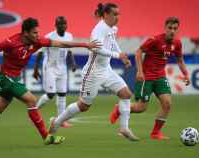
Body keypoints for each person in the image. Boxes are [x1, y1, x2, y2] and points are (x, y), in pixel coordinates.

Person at [0, 17, 100, 145]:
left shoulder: (38, 41)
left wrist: (85, 44)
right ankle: (47, 136)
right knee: (31, 100)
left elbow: (62, 44)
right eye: (34, 32)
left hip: (14, 77)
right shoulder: (11, 42)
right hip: (5, 77)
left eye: (38, 32)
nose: (37, 35)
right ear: (25, 32)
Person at [49, 3, 139, 141]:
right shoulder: (99, 29)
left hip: (106, 70)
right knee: (83, 106)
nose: (117, 17)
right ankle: (57, 121)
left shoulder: (113, 28)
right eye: (114, 14)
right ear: (106, 15)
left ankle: (124, 128)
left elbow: (113, 42)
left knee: (126, 94)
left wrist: (122, 56)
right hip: (93, 72)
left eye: (118, 14)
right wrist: (116, 56)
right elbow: (95, 49)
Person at [110, 17, 190, 140]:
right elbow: (138, 52)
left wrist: (186, 74)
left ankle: (155, 133)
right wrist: (140, 72)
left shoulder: (177, 43)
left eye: (175, 28)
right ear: (165, 28)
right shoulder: (155, 40)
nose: (172, 31)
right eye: (170, 28)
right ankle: (120, 108)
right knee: (141, 108)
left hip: (160, 77)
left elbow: (180, 60)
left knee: (167, 103)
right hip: (146, 77)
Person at [33, 16, 77, 128]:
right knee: (50, 94)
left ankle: (61, 120)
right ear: (56, 26)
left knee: (62, 94)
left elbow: (70, 51)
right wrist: (36, 69)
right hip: (50, 68)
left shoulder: (69, 36)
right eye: (60, 24)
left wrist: (72, 63)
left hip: (62, 68)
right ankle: (35, 110)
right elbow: (40, 53)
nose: (63, 26)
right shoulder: (49, 37)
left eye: (64, 24)